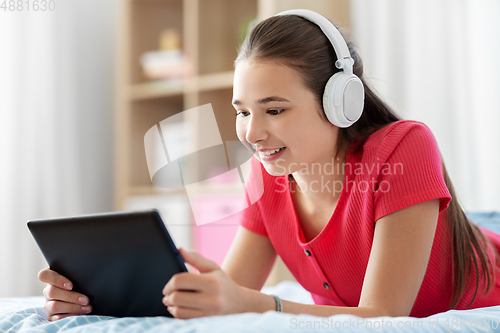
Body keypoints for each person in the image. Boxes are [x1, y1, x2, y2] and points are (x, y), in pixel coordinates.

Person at [38, 9, 500, 321]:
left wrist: (265, 305)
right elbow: (228, 293)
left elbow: (383, 316)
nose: (251, 133)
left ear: (341, 103)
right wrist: (100, 297)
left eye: (274, 109)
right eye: (242, 111)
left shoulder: (404, 147)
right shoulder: (269, 173)